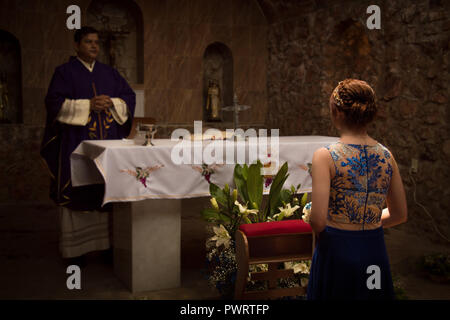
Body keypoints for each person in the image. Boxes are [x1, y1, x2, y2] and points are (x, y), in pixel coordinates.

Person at [40, 26, 136, 261]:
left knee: (104, 190)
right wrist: (87, 105)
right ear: (76, 45)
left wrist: (112, 102)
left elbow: (129, 97)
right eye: (88, 42)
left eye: (96, 42)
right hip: (76, 145)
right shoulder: (64, 72)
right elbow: (53, 103)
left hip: (107, 146)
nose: (94, 46)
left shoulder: (109, 73)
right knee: (79, 193)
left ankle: (106, 247)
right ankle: (76, 252)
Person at [307, 79, 407, 299]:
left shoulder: (325, 156)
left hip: (337, 250)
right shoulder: (386, 155)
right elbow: (400, 214)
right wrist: (368, 220)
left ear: (336, 111)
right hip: (374, 250)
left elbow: (318, 221)